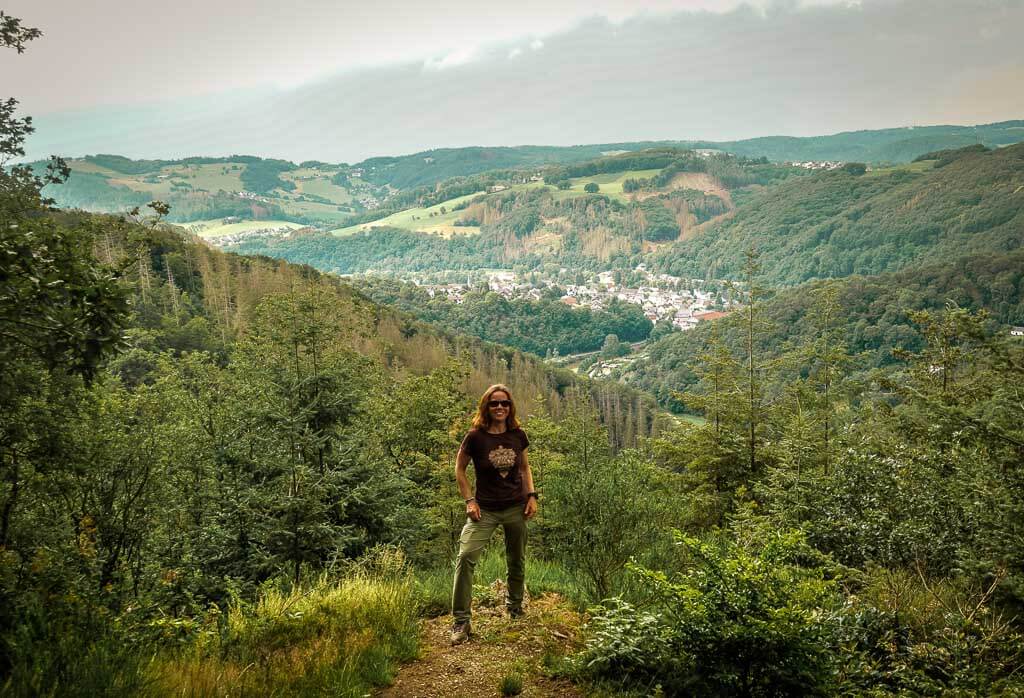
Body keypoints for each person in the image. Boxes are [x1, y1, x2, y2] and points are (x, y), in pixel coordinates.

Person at [450, 384, 538, 645]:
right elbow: (459, 469)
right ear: (486, 407)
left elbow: (524, 467)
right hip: (485, 510)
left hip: (515, 507)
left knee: (516, 559)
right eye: (494, 403)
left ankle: (515, 608)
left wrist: (531, 496)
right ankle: (461, 620)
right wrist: (469, 500)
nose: (500, 407)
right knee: (466, 556)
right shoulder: (475, 437)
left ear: (510, 407)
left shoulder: (518, 435)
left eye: (505, 403)